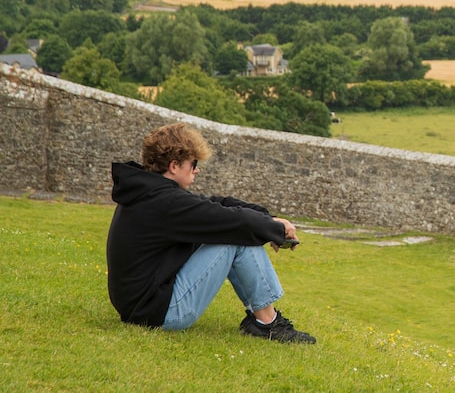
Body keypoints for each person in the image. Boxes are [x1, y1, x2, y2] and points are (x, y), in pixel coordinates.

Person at [106, 122, 316, 344]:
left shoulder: (150, 193)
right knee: (235, 235)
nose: (196, 170)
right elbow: (232, 220)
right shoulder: (166, 203)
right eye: (193, 163)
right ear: (174, 165)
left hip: (142, 306)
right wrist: (274, 229)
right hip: (157, 313)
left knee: (237, 227)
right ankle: (268, 324)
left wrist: (269, 219)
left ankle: (264, 321)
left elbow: (216, 204)